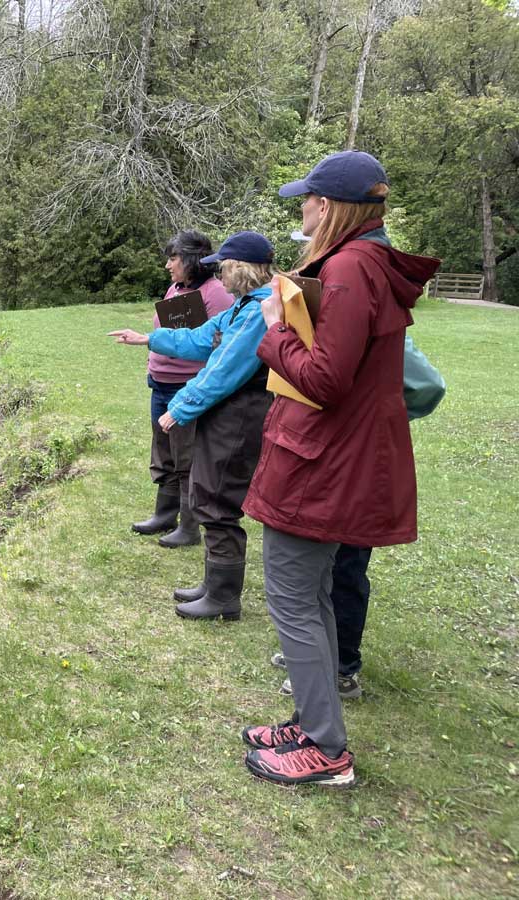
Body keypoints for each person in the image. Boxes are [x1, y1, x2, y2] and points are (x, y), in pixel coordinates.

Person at [240, 150, 440, 788]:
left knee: (293, 599)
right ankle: (310, 720)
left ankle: (326, 750)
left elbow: (325, 379)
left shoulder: (350, 267)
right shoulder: (368, 262)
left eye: (307, 199)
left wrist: (273, 332)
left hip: (320, 462)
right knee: (314, 597)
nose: (300, 208)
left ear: (327, 207)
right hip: (334, 455)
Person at [110, 231, 275, 620]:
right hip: (227, 414)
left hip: (241, 415)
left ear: (239, 267)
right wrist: (150, 338)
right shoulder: (243, 306)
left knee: (218, 499)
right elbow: (201, 339)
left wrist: (180, 407)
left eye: (224, 265)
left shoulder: (256, 313)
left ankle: (223, 596)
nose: (218, 271)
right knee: (207, 491)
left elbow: (223, 370)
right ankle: (214, 584)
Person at [273, 337, 446, 700]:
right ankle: (318, 655)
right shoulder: (324, 317)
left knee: (346, 565)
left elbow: (428, 386)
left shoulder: (376, 328)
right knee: (316, 568)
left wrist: (377, 415)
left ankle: (341, 669)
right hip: (324, 455)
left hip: (360, 458)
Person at [130, 231, 234, 549]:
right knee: (163, 452)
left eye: (173, 258)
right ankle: (164, 514)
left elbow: (218, 345)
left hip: (185, 387)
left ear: (190, 259)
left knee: (186, 457)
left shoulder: (215, 294)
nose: (167, 265)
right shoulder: (175, 288)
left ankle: (189, 527)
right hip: (159, 384)